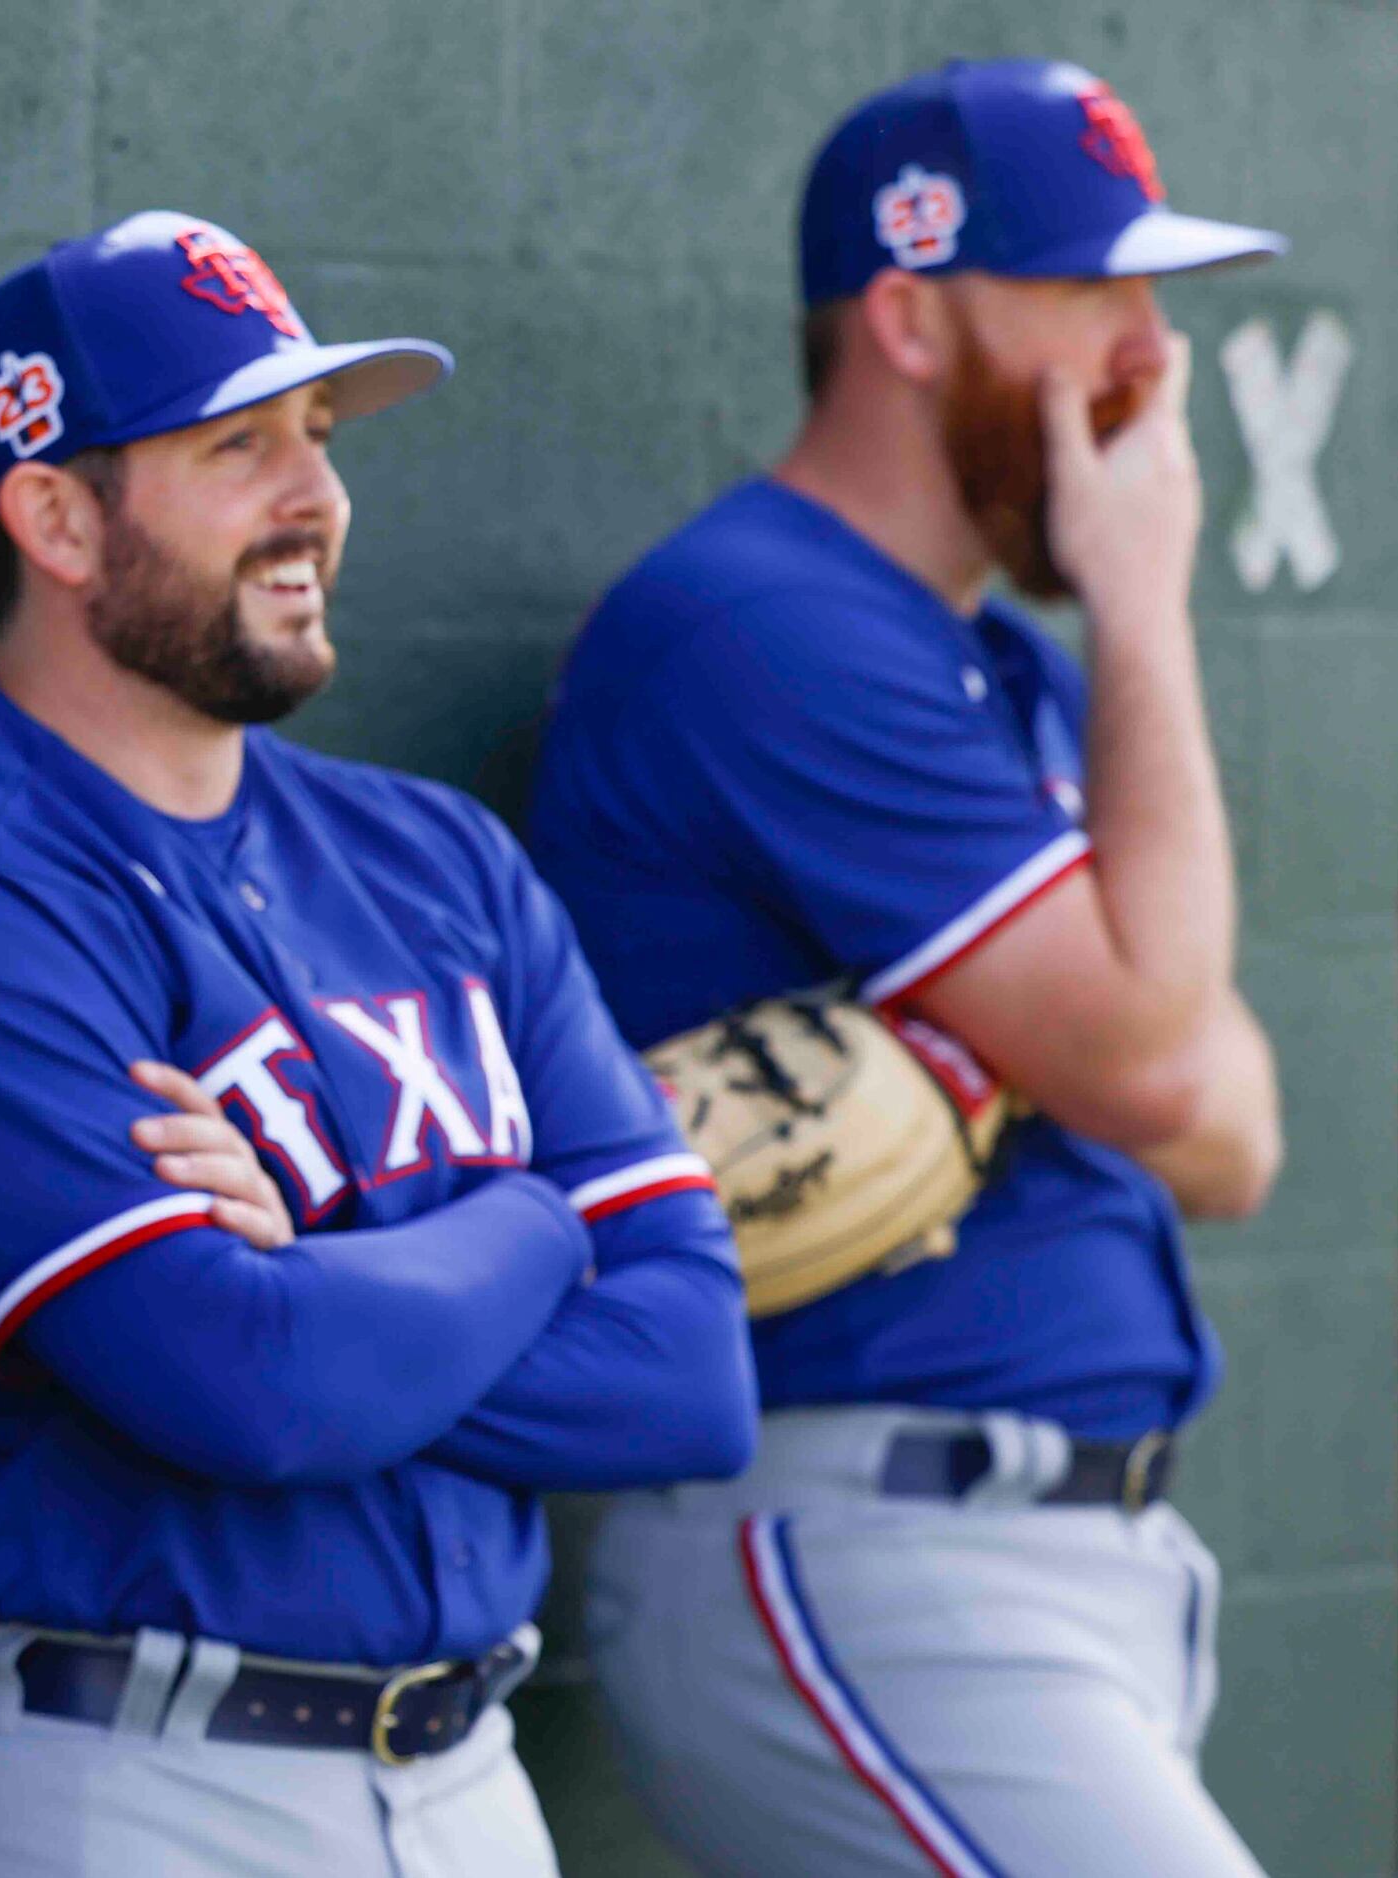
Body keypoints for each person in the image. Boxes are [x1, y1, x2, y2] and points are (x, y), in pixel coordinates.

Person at [0, 211, 757, 1877]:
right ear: (56, 514)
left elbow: (692, 1375)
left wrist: (327, 1272)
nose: (315, 499)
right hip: (104, 1772)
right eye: (238, 447)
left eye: (320, 439)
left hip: (463, 1774)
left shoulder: (442, 861)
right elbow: (244, 1383)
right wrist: (530, 1219)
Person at [525, 60, 1286, 1878]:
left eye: (1153, 298)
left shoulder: (1001, 669)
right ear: (906, 314)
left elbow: (1237, 1131)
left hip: (1063, 1563)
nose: (1144, 355)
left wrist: (1083, 1028)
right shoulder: (764, 622)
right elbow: (1161, 1063)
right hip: (870, 1538)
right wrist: (1146, 597)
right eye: (1091, 294)